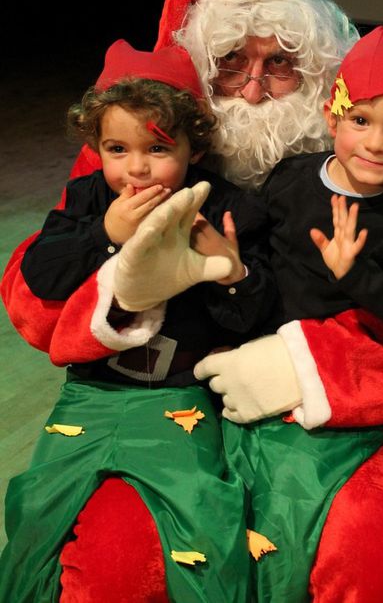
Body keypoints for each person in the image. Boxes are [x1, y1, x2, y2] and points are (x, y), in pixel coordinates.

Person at [0, 0, 383, 602]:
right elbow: (34, 291)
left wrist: (303, 363)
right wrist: (128, 284)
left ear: (321, 77)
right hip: (157, 403)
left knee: (368, 548)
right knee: (114, 563)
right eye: (231, 63)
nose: (254, 90)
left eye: (281, 65)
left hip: (308, 413)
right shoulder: (141, 156)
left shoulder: (372, 175)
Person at [0, 38, 278, 603]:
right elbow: (42, 272)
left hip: (178, 396)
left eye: (156, 149)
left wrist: (230, 271)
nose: (135, 169)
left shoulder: (230, 208)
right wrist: (104, 234)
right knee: (34, 507)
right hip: (92, 389)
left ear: (193, 147)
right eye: (116, 149)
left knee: (204, 516)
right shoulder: (88, 198)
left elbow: (254, 316)